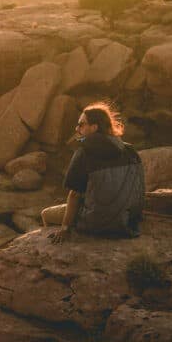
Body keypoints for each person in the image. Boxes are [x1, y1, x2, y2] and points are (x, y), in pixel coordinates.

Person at [42, 102, 144, 243]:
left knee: (46, 214)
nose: (77, 128)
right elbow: (138, 190)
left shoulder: (84, 151)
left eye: (81, 124)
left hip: (93, 222)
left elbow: (75, 195)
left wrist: (65, 228)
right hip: (125, 223)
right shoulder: (130, 151)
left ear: (94, 127)